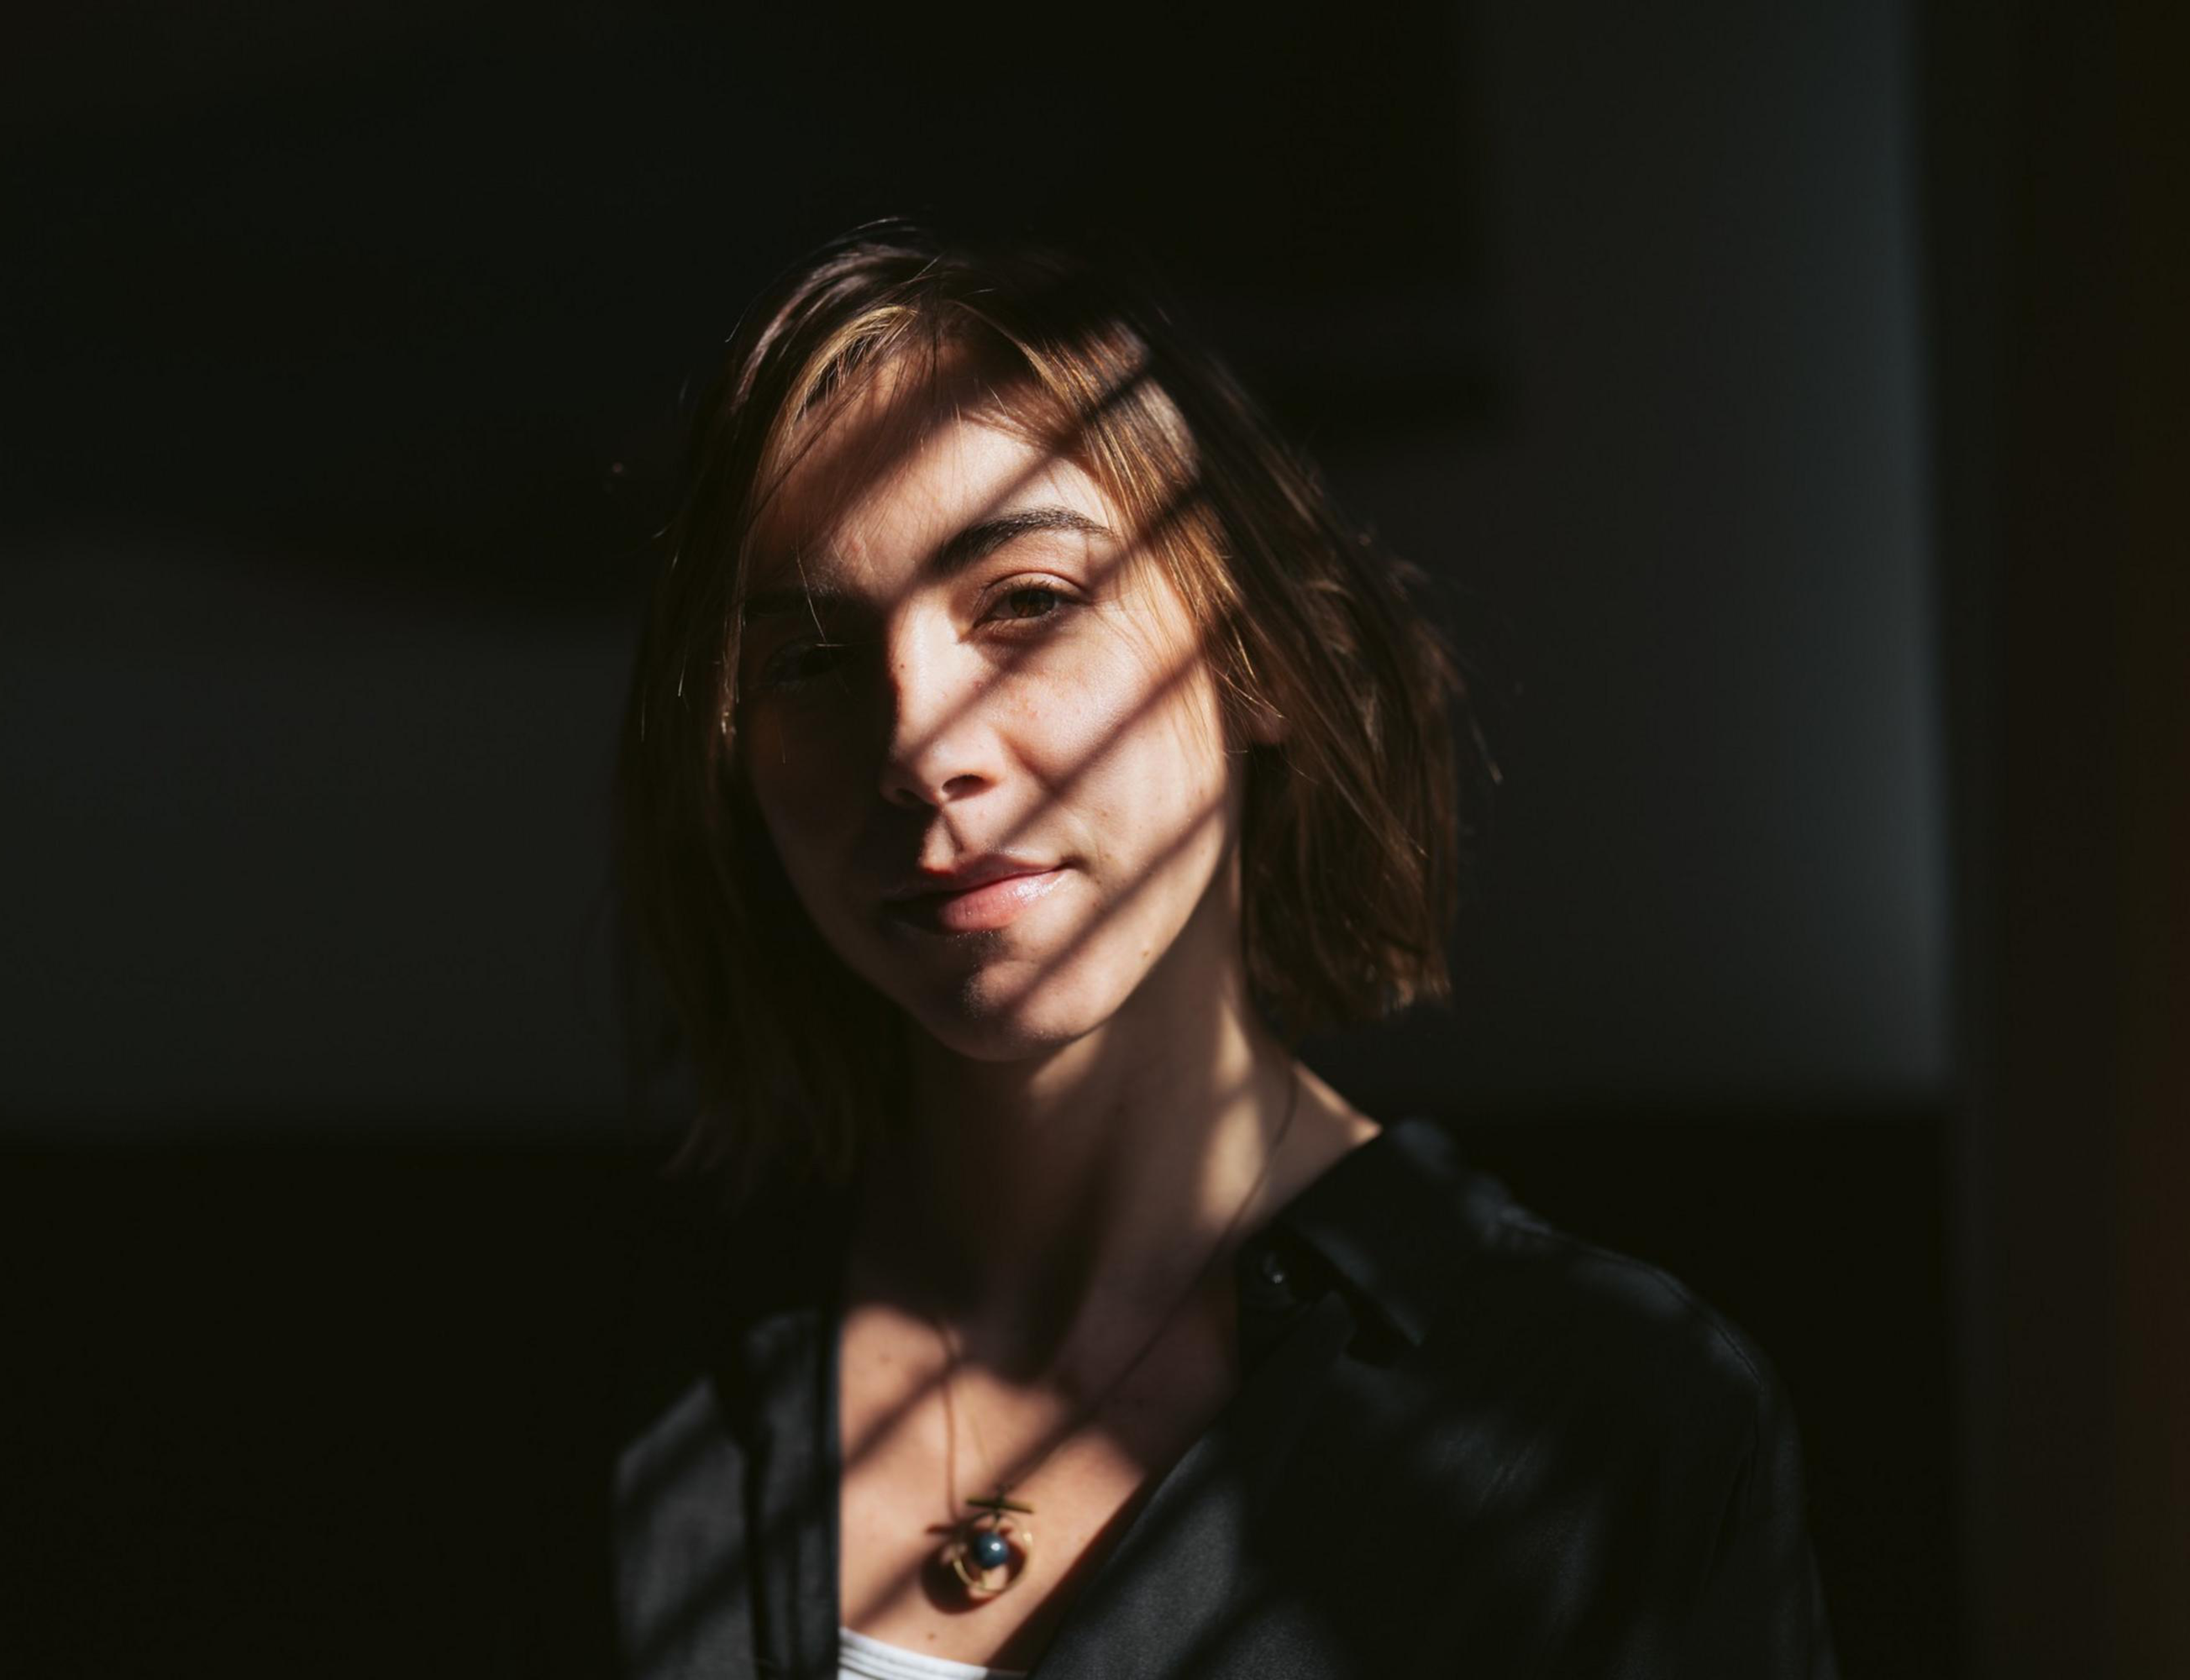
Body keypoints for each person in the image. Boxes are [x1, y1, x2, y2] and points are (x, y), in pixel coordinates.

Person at [604, 224, 1838, 1679]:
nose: (920, 747)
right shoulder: (653, 1396)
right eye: (810, 657)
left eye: (1029, 603)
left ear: (1248, 653)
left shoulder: (1612, 1421)